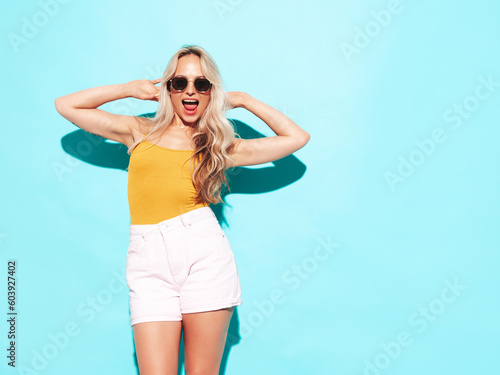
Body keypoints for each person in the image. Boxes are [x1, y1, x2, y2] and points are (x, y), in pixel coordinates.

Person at [54, 44, 310, 375]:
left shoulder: (218, 146)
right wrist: (129, 89)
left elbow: (296, 138)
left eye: (201, 84)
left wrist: (243, 99)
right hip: (147, 262)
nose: (190, 91)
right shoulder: (138, 130)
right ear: (169, 89)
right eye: (180, 83)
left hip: (203, 258)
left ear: (210, 92)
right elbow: (66, 105)